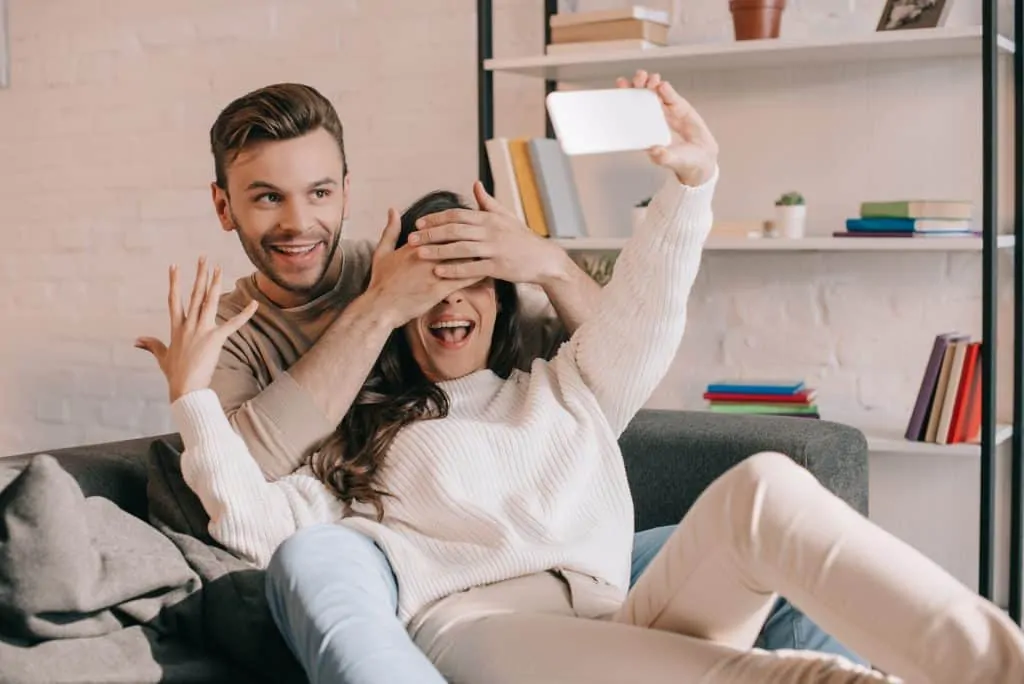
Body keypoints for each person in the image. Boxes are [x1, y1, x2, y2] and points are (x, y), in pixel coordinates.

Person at [137, 73, 1024, 684]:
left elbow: (644, 318)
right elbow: (254, 514)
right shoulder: (355, 446)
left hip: (614, 605)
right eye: (425, 285)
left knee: (762, 488)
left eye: (473, 276)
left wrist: (691, 183)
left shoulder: (557, 384)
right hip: (480, 629)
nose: (449, 298)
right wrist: (193, 394)